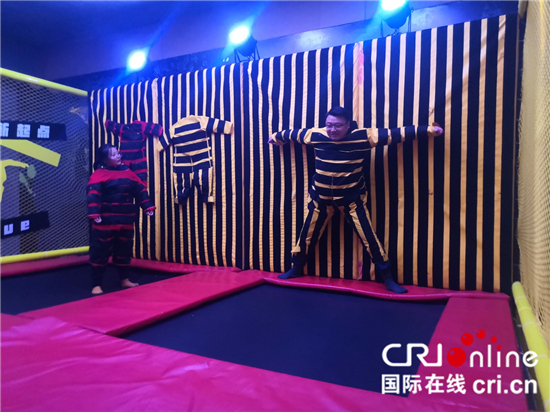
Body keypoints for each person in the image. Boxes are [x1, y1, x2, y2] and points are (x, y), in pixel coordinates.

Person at [268, 106, 443, 293]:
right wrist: (276, 137)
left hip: (351, 202)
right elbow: (293, 134)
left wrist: (429, 130)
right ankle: (296, 268)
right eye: (329, 125)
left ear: (348, 125)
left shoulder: (363, 136)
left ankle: (388, 278)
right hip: (321, 200)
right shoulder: (316, 135)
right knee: (307, 235)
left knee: (369, 238)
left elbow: (395, 134)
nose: (332, 130)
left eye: (337, 126)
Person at [86, 144, 155, 294]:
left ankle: (124, 280)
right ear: (105, 160)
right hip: (105, 223)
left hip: (125, 221)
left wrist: (147, 206)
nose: (118, 156)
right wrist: (94, 213)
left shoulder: (128, 172)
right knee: (100, 252)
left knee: (124, 251)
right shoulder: (99, 174)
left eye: (117, 153)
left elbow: (140, 190)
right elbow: (93, 194)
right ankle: (96, 284)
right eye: (113, 155)